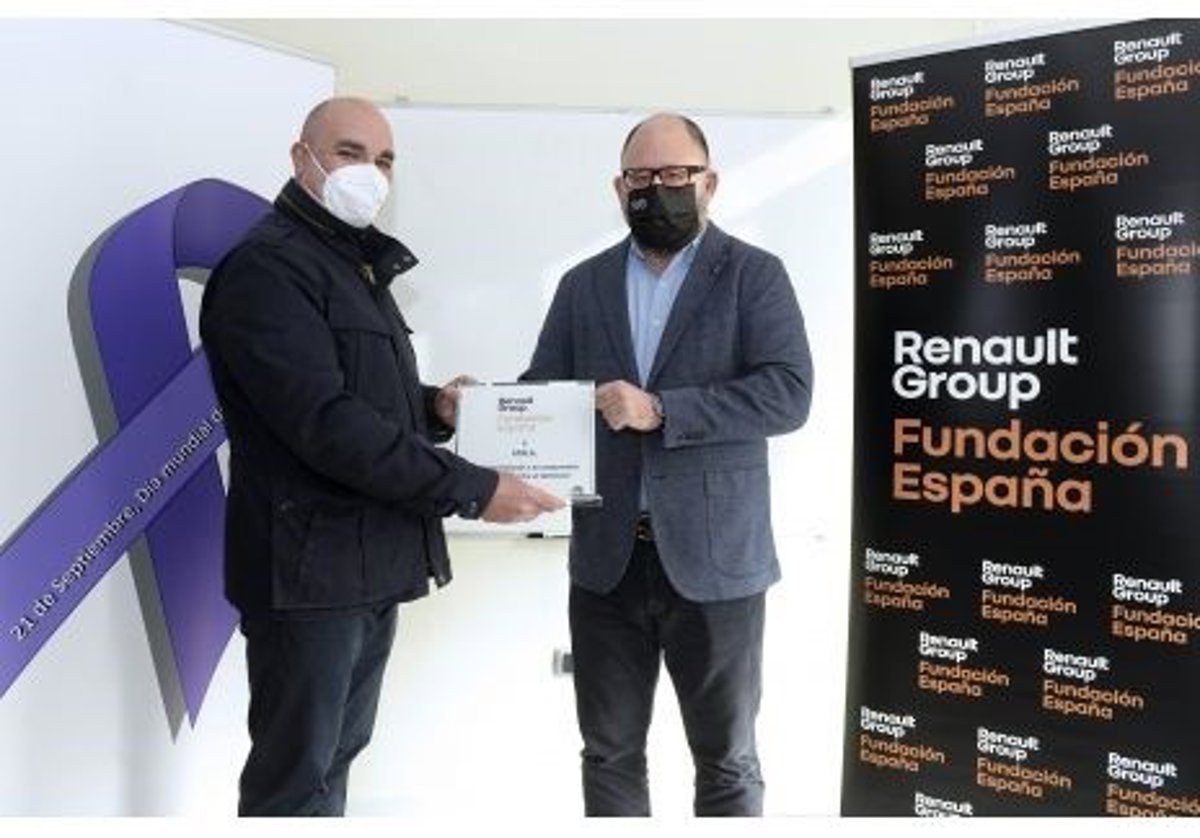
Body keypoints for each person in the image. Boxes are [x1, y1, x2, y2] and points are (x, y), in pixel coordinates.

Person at [199, 96, 563, 816]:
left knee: (334, 761)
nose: (370, 172)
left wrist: (434, 407)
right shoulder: (269, 269)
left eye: (385, 159)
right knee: (294, 784)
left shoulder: (349, 264)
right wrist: (472, 488)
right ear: (301, 157)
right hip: (307, 575)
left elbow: (356, 397)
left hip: (362, 565)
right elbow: (325, 424)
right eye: (349, 152)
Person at [522, 113, 813, 816]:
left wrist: (662, 409)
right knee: (608, 753)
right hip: (607, 562)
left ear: (708, 183)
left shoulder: (753, 275)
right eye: (642, 176)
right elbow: (542, 391)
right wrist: (489, 413)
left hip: (718, 563)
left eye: (676, 173)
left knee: (727, 758)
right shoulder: (582, 284)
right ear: (619, 188)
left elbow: (788, 394)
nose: (658, 188)